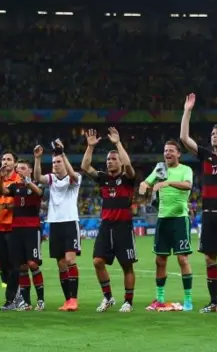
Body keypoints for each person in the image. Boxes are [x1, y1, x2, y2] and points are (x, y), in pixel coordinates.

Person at [180, 90, 217, 313]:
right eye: (212, 133)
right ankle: (214, 302)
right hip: (209, 214)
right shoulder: (206, 155)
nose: (213, 136)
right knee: (209, 258)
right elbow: (184, 139)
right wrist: (187, 112)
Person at [81, 128, 137, 313]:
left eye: (113, 159)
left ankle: (128, 301)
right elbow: (85, 167)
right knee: (98, 261)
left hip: (123, 226)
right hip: (106, 227)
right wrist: (90, 147)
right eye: (108, 160)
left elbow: (128, 165)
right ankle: (108, 297)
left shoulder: (128, 178)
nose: (110, 162)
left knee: (126, 265)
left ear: (120, 161)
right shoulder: (104, 179)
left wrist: (117, 144)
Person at [139, 140, 194, 312]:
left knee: (182, 259)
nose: (167, 153)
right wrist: (145, 188)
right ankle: (160, 299)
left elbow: (188, 185)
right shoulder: (160, 168)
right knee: (160, 260)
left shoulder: (185, 169)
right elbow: (145, 185)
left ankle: (188, 300)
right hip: (163, 220)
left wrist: (167, 183)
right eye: (165, 150)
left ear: (178, 153)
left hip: (180, 219)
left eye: (171, 150)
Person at [34, 139, 82, 312]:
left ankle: (74, 299)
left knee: (70, 260)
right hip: (54, 223)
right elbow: (37, 177)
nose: (55, 164)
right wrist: (38, 159)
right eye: (53, 162)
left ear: (65, 161)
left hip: (70, 222)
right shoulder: (52, 179)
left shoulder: (74, 178)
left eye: (58, 161)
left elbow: (73, 175)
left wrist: (62, 153)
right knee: (61, 263)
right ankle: (67, 299)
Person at [0, 160, 45, 311]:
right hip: (16, 229)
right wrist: (0, 178)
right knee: (21, 266)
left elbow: (40, 193)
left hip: (32, 229)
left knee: (33, 263)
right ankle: (26, 302)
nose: (20, 171)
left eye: (23, 168)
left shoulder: (37, 184)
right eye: (18, 170)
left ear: (30, 170)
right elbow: (2, 192)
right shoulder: (15, 187)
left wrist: (28, 182)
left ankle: (41, 300)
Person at [0, 151, 19, 290]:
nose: (5, 161)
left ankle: (17, 294)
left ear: (15, 163)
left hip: (13, 227)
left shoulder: (18, 179)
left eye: (8, 159)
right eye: (3, 159)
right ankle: (11, 295)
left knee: (15, 262)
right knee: (2, 262)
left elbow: (19, 202)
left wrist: (5, 206)